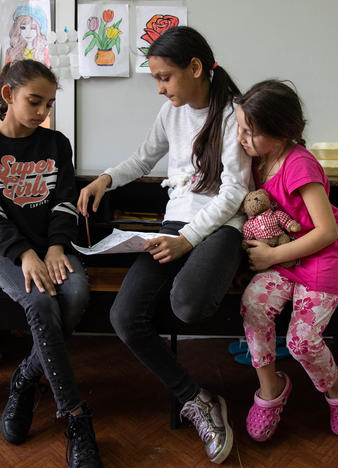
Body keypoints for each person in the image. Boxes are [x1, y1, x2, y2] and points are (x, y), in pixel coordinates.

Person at [78, 26, 250, 464]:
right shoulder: (171, 114)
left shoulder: (234, 114)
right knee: (123, 315)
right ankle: (198, 399)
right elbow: (142, 158)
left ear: (195, 68)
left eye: (164, 77)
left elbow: (233, 193)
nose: (159, 88)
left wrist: (187, 241)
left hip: (219, 226)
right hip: (174, 224)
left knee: (188, 304)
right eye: (154, 78)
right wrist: (105, 178)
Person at [0, 59, 102, 468]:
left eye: (49, 103)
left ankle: (24, 380)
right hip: (8, 254)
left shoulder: (57, 144)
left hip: (55, 250)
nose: (43, 112)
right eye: (34, 101)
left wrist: (57, 247)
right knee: (41, 304)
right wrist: (25, 254)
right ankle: (76, 417)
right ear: (8, 95)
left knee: (76, 294)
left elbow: (63, 201)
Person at [235, 80, 338, 442]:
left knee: (302, 341)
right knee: (254, 307)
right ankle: (271, 389)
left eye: (250, 132)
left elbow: (326, 233)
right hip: (286, 261)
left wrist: (272, 255)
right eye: (240, 128)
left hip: (320, 261)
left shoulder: (299, 164)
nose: (242, 138)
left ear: (281, 132)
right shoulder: (260, 161)